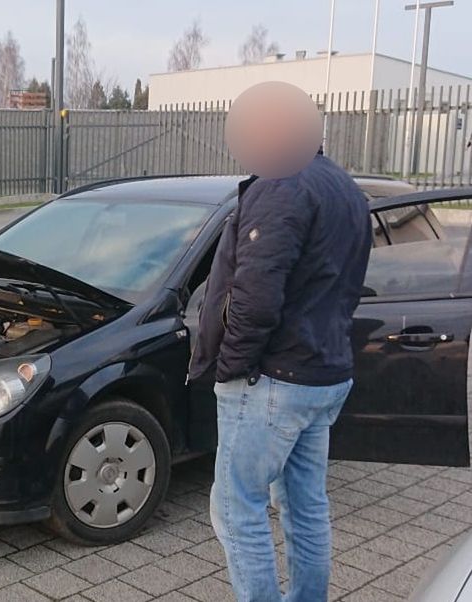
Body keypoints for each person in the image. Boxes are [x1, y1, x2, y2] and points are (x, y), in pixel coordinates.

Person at [188, 89, 372, 599]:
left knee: (235, 507)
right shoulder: (345, 188)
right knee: (304, 506)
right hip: (324, 373)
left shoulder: (281, 185)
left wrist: (228, 367)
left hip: (273, 380)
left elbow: (256, 297)